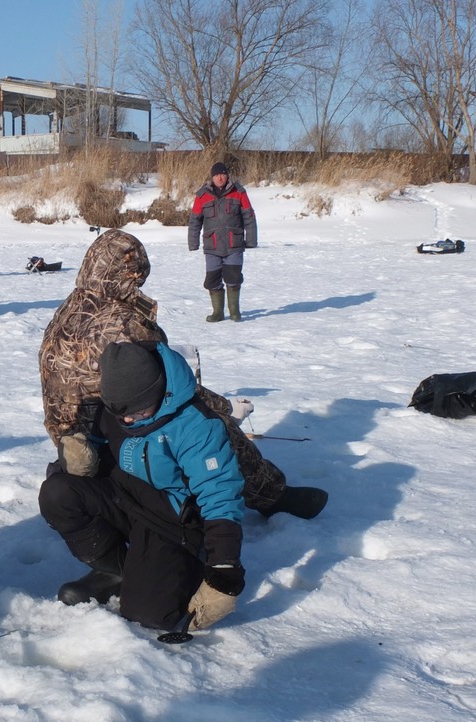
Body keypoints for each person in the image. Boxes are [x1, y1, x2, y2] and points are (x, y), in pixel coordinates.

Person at [38, 229, 327, 525]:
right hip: (113, 435)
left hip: (72, 438)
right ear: (129, 274)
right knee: (209, 424)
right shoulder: (122, 322)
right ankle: (272, 496)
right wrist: (226, 408)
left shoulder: (71, 307)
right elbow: (170, 386)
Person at [39, 340, 246, 632]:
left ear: (158, 391)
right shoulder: (119, 406)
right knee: (58, 494)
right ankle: (118, 571)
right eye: (119, 410)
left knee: (149, 615)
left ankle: (182, 570)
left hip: (174, 523)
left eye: (137, 411)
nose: (125, 419)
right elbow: (97, 440)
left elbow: (220, 496)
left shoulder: (196, 426)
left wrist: (224, 573)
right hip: (127, 499)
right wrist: (75, 454)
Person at [189, 162, 257, 322]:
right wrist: (193, 243)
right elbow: (194, 221)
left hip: (234, 244)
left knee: (233, 278)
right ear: (212, 177)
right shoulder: (202, 195)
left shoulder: (239, 192)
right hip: (212, 245)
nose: (220, 177)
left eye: (222, 174)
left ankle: (234, 312)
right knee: (212, 280)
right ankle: (218, 312)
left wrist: (251, 240)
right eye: (216, 175)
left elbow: (249, 216)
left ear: (227, 176)